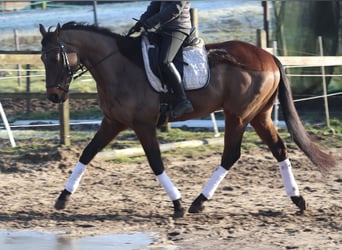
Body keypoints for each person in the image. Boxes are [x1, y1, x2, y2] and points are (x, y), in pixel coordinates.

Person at [130, 1, 194, 119]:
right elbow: (155, 5)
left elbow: (174, 9)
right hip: (163, 29)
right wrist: (142, 21)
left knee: (165, 61)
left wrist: (151, 21)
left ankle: (183, 101)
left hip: (178, 29)